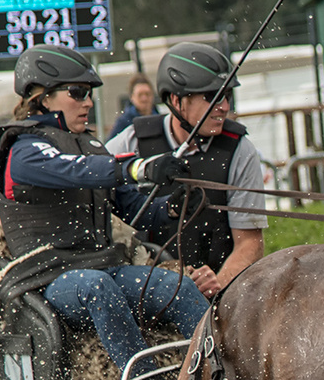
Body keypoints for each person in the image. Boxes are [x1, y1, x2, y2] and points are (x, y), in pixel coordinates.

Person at [0, 45, 209, 380]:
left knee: (176, 286)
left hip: (103, 266)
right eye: (77, 93)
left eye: (89, 95)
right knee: (95, 286)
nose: (87, 103)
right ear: (42, 97)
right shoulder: (23, 150)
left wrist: (172, 208)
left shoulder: (92, 146)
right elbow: (72, 170)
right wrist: (139, 167)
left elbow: (134, 209)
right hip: (47, 279)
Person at [106, 41, 267, 300]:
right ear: (176, 100)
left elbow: (250, 244)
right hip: (145, 290)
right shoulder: (132, 141)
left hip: (217, 297)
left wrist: (216, 284)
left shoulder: (240, 151)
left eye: (226, 96)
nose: (224, 106)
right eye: (211, 97)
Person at [107, 72, 156, 139]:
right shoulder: (124, 122)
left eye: (147, 94)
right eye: (140, 95)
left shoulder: (159, 118)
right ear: (132, 97)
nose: (144, 99)